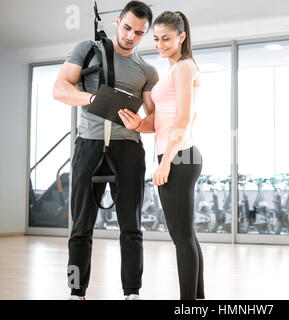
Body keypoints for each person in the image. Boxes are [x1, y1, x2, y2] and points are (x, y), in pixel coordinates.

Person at [52, 1, 158, 300]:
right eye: (127, 28)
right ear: (118, 23)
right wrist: (91, 100)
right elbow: (60, 89)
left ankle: (132, 293)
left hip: (128, 149)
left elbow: (154, 119)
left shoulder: (147, 70)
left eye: (139, 33)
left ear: (146, 34)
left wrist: (140, 122)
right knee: (80, 227)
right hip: (89, 145)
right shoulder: (87, 49)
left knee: (131, 227)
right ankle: (76, 291)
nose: (130, 36)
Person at [118, 10, 204, 300]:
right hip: (176, 154)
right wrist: (138, 124)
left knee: (181, 238)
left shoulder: (184, 67)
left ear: (181, 37)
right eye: (155, 39)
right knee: (186, 235)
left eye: (166, 38)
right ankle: (199, 300)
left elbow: (183, 120)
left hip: (179, 156)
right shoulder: (172, 70)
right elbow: (159, 122)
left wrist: (165, 162)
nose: (160, 44)